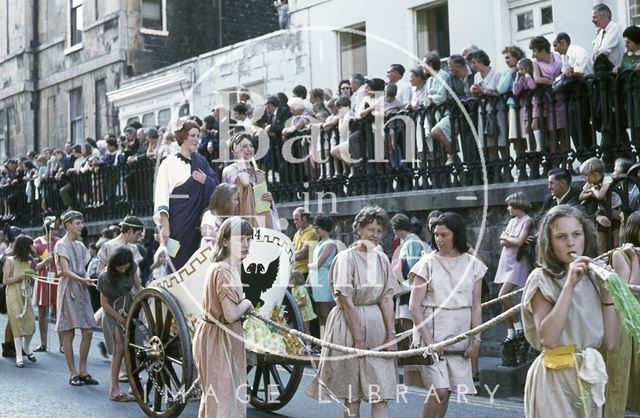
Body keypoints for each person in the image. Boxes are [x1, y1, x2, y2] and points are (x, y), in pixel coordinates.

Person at [521, 204, 618, 417]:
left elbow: (610, 343)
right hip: (554, 379)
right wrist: (569, 286)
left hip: (589, 376)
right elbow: (548, 338)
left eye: (576, 234)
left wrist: (607, 293)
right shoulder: (541, 278)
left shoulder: (593, 277)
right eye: (561, 236)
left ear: (586, 235)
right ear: (549, 242)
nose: (571, 242)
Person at [306, 206, 398, 418]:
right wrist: (358, 338)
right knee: (352, 394)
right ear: (358, 230)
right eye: (370, 229)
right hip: (349, 325)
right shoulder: (346, 258)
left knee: (381, 392)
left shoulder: (382, 259)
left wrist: (391, 334)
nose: (374, 235)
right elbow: (346, 300)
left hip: (376, 325)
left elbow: (386, 297)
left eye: (379, 230)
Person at [408, 212, 486, 417]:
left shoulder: (472, 264)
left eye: (444, 234)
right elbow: (414, 307)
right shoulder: (427, 262)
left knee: (447, 391)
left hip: (459, 334)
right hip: (432, 333)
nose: (439, 239)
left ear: (457, 234)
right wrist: (430, 342)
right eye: (436, 235)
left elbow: (476, 305)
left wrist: (476, 340)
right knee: (440, 390)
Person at [192, 217, 254, 418]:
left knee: (218, 398)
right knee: (222, 400)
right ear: (225, 241)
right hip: (219, 338)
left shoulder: (228, 267)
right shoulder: (224, 271)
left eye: (248, 239)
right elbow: (231, 314)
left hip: (219, 335)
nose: (246, 244)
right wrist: (247, 303)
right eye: (240, 239)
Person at [154, 118, 218, 270]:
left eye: (198, 136)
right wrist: (165, 227)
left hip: (197, 224)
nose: (197, 139)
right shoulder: (168, 162)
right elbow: (161, 195)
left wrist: (206, 181)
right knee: (174, 262)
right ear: (183, 137)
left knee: (197, 265)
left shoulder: (201, 160)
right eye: (192, 136)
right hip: (176, 224)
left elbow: (217, 186)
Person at [54, 210, 99, 387]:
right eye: (78, 223)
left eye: (81, 222)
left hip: (81, 288)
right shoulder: (61, 245)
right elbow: (64, 271)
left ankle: (83, 371)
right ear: (68, 225)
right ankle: (72, 373)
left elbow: (83, 267)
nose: (81, 226)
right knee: (69, 331)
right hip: (68, 289)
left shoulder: (80, 245)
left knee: (88, 330)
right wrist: (83, 279)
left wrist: (86, 278)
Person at [604, 213, 640, 417]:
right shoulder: (620, 254)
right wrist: (634, 258)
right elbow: (631, 292)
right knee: (619, 376)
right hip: (625, 323)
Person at [494, 192, 533, 367]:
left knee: (503, 295)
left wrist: (507, 238)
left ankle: (518, 326)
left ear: (517, 205)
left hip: (517, 261)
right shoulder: (512, 222)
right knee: (503, 299)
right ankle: (510, 331)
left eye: (510, 205)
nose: (508, 208)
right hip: (507, 260)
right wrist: (510, 240)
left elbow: (518, 242)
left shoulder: (527, 221)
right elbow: (504, 241)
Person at [97, 247, 136, 402]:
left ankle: (134, 386)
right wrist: (119, 318)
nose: (122, 270)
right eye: (120, 267)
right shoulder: (105, 277)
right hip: (113, 312)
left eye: (125, 267)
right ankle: (114, 389)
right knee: (119, 349)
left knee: (134, 348)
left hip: (129, 308)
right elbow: (104, 304)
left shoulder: (131, 267)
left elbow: (137, 286)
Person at [222, 132, 279, 229]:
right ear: (235, 149)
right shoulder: (230, 170)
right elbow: (244, 183)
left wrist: (269, 199)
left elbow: (264, 204)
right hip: (242, 221)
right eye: (244, 146)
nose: (249, 149)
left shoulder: (259, 173)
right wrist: (240, 161)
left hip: (263, 223)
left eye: (251, 146)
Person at [390, 213, 429, 349]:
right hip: (406, 287)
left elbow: (413, 266)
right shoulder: (409, 240)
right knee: (404, 322)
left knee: (407, 322)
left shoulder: (411, 241)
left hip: (409, 288)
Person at [2, 234, 37, 368]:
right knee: (16, 323)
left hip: (25, 293)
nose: (32, 247)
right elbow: (5, 281)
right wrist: (20, 277)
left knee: (31, 323)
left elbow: (33, 273)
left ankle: (26, 347)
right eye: (30, 245)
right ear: (24, 247)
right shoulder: (9, 260)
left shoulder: (28, 261)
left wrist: (32, 274)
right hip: (12, 294)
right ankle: (18, 355)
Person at [33, 216, 62, 353]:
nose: (56, 231)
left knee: (58, 311)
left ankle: (62, 344)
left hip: (56, 279)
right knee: (42, 311)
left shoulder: (60, 242)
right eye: (53, 228)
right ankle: (43, 343)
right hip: (43, 279)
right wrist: (46, 260)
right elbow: (34, 266)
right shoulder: (36, 243)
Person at [579, 157, 621, 251]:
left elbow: (600, 195)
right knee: (601, 242)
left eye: (586, 175)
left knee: (616, 242)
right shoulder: (590, 183)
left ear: (595, 174)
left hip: (614, 211)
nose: (585, 178)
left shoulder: (607, 179)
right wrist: (590, 193)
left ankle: (616, 259)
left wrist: (593, 190)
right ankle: (603, 261)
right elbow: (581, 196)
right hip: (602, 211)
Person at [307, 214, 337, 335]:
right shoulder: (320, 243)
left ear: (323, 228)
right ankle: (322, 342)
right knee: (320, 314)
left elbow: (318, 264)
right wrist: (308, 280)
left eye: (317, 227)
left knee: (326, 314)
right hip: (315, 280)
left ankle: (331, 341)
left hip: (324, 279)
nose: (315, 230)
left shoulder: (330, 244)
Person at [591, 3, 625, 69]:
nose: (592, 21)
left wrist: (598, 52)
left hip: (613, 74)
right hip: (603, 72)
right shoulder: (601, 32)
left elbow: (603, 51)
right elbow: (594, 56)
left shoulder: (615, 28)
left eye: (595, 17)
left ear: (604, 16)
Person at [292, 207, 317, 277]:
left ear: (305, 218)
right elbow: (291, 250)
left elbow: (302, 254)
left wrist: (289, 255)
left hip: (305, 272)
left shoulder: (312, 233)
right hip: (295, 271)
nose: (294, 222)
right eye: (294, 219)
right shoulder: (296, 234)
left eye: (296, 219)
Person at [290, 271, 316, 335]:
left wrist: (295, 305)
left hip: (305, 312)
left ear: (295, 279)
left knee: (305, 329)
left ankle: (308, 344)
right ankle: (303, 343)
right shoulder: (293, 288)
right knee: (300, 329)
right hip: (299, 311)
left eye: (291, 279)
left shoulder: (300, 289)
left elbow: (304, 302)